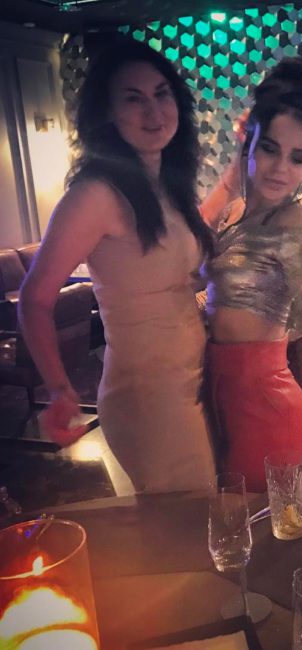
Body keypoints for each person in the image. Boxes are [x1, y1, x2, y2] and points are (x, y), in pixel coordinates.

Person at [18, 39, 217, 493]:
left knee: (201, 517)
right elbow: (34, 298)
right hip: (148, 397)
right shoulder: (95, 193)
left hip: (191, 378)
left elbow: (176, 253)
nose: (154, 111)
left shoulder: (166, 185)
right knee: (188, 523)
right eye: (133, 98)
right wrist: (59, 389)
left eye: (162, 94)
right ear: (107, 113)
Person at [200, 57, 302, 499]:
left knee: (276, 528)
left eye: (297, 158)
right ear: (248, 141)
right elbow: (187, 254)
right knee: (233, 521)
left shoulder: (298, 222)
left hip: (266, 402)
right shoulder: (231, 212)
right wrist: (232, 174)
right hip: (216, 392)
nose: (280, 168)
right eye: (269, 148)